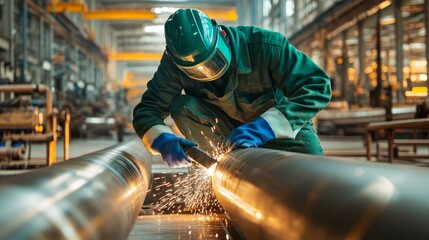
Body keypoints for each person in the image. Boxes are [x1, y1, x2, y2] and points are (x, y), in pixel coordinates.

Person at [133, 8, 331, 168]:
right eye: (196, 71)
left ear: (221, 35)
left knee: (315, 180)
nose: (207, 72)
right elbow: (147, 110)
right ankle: (221, 170)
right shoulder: (172, 66)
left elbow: (317, 84)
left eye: (212, 62)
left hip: (282, 131)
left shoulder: (265, 46)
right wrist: (162, 139)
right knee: (181, 106)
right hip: (227, 139)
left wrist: (265, 127)